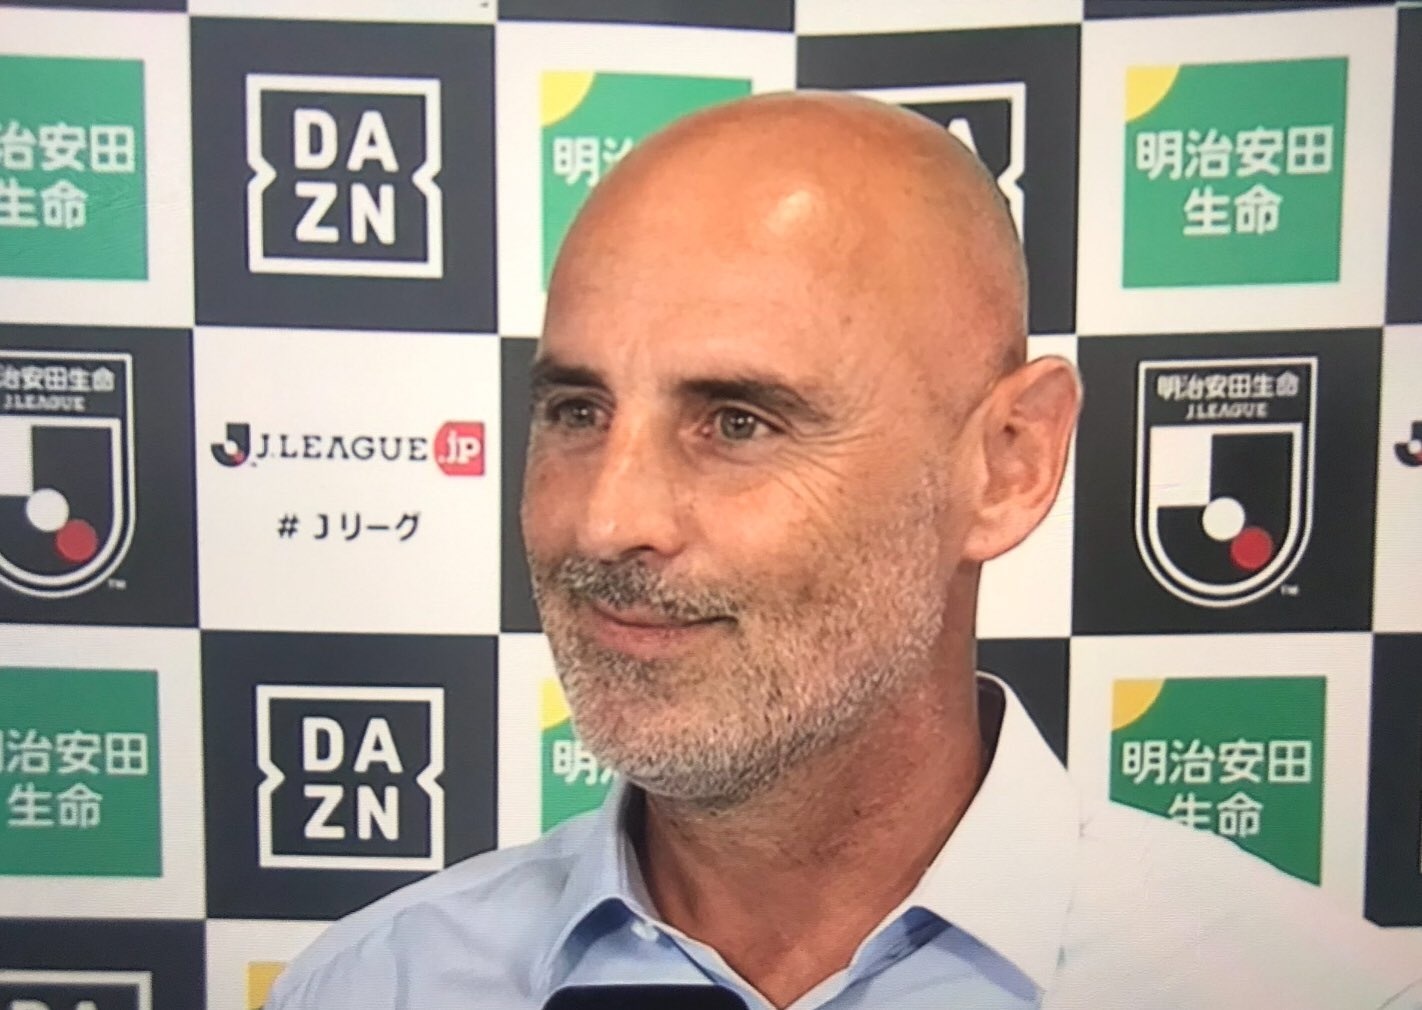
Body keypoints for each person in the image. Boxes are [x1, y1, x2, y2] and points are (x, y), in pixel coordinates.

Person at [267, 92, 1422, 1010]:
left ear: (1010, 462)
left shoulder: (1303, 989)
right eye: (576, 410)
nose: (606, 520)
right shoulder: (377, 982)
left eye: (738, 422)